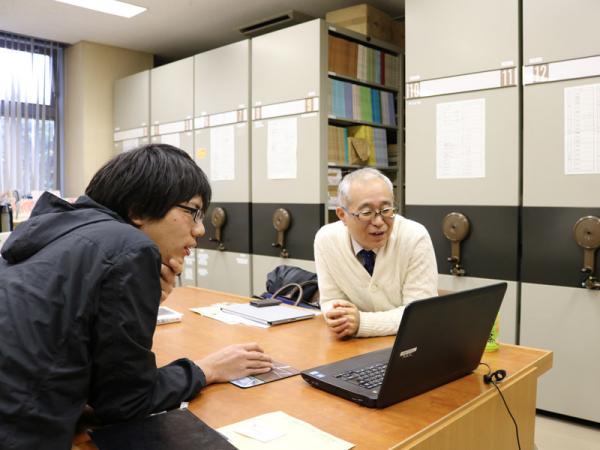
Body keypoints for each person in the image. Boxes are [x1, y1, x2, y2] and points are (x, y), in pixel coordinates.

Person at [0, 144, 272, 450]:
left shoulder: (59, 234)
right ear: (139, 209)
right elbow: (126, 401)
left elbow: (73, 350)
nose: (200, 230)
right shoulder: (129, 246)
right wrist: (206, 369)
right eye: (193, 212)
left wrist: (145, 301)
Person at [314, 168, 438, 339]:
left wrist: (362, 323)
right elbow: (330, 300)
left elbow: (420, 313)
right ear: (342, 215)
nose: (379, 222)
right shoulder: (326, 239)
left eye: (386, 210)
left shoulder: (414, 236)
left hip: (408, 342)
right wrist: (338, 317)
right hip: (352, 346)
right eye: (366, 213)